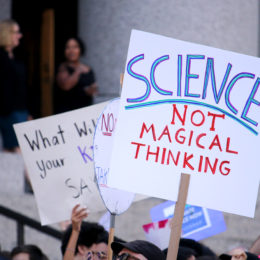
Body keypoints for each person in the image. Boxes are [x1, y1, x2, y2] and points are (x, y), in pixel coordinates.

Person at [0, 19, 30, 152]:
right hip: (9, 112)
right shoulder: (1, 57)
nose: (20, 35)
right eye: (16, 32)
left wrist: (28, 111)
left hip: (21, 110)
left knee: (21, 149)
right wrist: (7, 110)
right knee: (16, 149)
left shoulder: (17, 56)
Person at [55, 37, 98, 114]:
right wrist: (78, 71)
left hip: (85, 111)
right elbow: (66, 86)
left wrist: (92, 90)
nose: (71, 51)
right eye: (68, 47)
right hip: (67, 113)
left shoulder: (88, 68)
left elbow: (94, 89)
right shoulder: (62, 68)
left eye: (75, 47)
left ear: (80, 49)